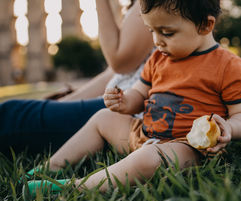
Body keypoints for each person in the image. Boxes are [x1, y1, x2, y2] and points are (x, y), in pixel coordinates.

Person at [24, 0, 241, 197]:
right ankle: (50, 167)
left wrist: (229, 126)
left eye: (167, 32)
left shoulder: (227, 65)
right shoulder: (158, 58)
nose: (157, 41)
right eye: (152, 31)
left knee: (147, 159)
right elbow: (139, 94)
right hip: (143, 134)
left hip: (187, 148)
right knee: (103, 118)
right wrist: (124, 102)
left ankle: (74, 187)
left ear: (205, 25)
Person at [0, 0, 154, 158]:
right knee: (16, 113)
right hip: (117, 100)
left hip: (128, 108)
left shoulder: (155, 4)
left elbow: (118, 61)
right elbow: (113, 75)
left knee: (11, 115)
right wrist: (64, 103)